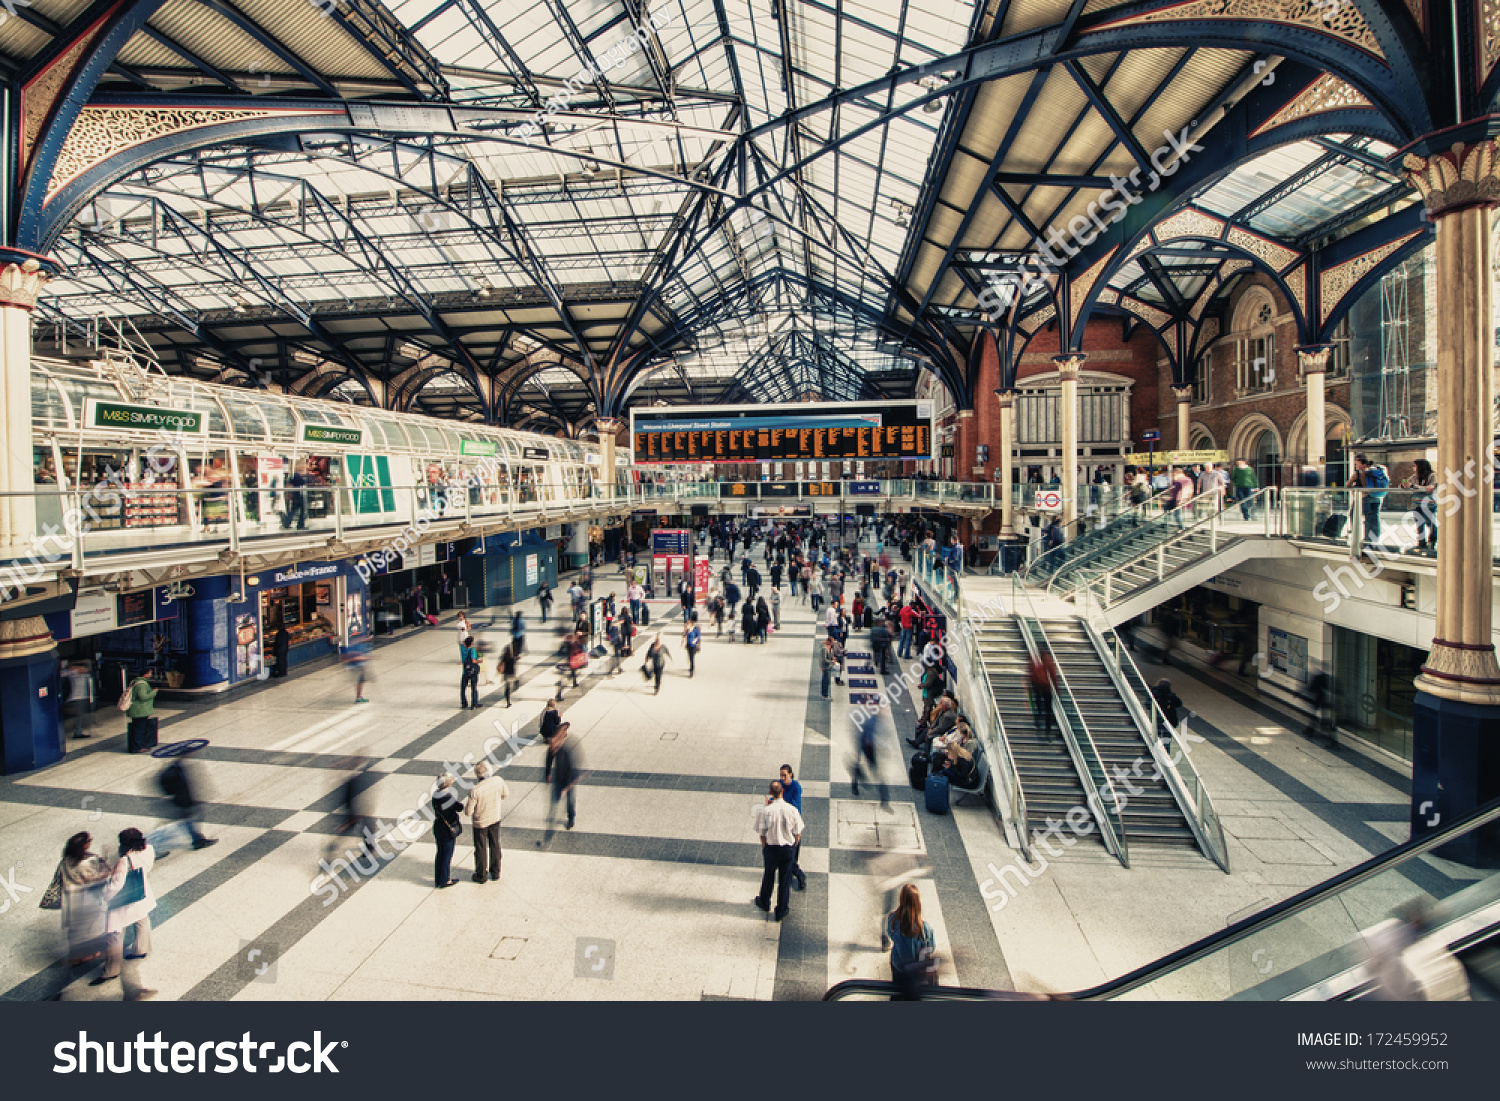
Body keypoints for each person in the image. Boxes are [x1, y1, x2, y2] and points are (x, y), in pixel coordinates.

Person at [93, 828, 158, 1000]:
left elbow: (116, 885)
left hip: (124, 901)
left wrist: (105, 896)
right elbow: (148, 867)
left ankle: (112, 970)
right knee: (142, 920)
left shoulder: (124, 860)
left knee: (114, 932)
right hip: (141, 893)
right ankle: (141, 949)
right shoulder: (149, 849)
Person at [752, 780, 804, 922]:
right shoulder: (792, 810)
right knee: (785, 879)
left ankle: (764, 901)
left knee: (768, 875)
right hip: (787, 849)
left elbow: (761, 834)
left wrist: (765, 847)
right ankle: (781, 909)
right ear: (782, 792)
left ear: (770, 793)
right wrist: (793, 846)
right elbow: (798, 833)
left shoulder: (765, 811)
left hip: (771, 848)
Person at [57, 832, 108, 970]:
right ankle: (82, 956)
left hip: (69, 899)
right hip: (84, 900)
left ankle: (74, 955)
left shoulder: (66, 860)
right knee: (85, 928)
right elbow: (90, 878)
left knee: (73, 930)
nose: (90, 842)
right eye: (89, 840)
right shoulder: (83, 864)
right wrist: (107, 873)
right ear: (84, 844)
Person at [150, 752, 218, 853]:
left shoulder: (181, 768)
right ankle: (154, 846)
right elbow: (166, 788)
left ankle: (198, 840)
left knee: (188, 822)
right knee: (182, 824)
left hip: (186, 800)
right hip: (181, 802)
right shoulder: (170, 772)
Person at [886, 882, 938, 1000]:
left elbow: (890, 934)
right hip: (916, 970)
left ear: (901, 899)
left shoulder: (892, 920)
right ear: (917, 903)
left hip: (898, 965)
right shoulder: (925, 928)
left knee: (897, 990)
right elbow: (932, 947)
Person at [464, 760, 509, 884]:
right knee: (495, 844)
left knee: (480, 848)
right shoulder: (498, 781)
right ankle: (496, 872)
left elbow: (468, 812)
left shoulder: (475, 790)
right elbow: (505, 795)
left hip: (480, 823)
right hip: (495, 818)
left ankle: (481, 874)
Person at [542, 722, 582, 847]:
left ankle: (571, 818)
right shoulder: (552, 750)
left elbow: (571, 769)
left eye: (553, 746)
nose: (551, 748)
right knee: (553, 807)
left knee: (570, 801)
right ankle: (548, 836)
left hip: (567, 781)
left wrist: (567, 787)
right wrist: (548, 773)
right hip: (558, 780)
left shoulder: (565, 752)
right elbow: (548, 760)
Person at [851, 706, 889, 807]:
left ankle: (854, 784)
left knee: (867, 767)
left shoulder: (873, 719)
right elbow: (869, 740)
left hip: (863, 745)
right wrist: (881, 750)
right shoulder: (873, 722)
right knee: (876, 771)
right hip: (867, 748)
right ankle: (884, 797)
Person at [778, 765, 806, 891]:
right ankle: (794, 874)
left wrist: (781, 803)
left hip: (793, 826)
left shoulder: (796, 787)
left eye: (785, 775)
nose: (782, 778)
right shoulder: (779, 784)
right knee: (788, 855)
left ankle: (800, 875)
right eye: (781, 775)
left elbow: (795, 807)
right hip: (783, 824)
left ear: (791, 774)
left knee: (792, 855)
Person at [431, 774, 462, 888]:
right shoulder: (447, 797)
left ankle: (438, 879)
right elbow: (459, 807)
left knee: (440, 853)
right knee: (447, 855)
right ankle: (445, 879)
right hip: (447, 829)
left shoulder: (435, 795)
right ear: (449, 784)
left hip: (438, 827)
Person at [124, 672, 158, 753]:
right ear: (145, 674)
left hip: (137, 710)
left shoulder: (135, 681)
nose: (151, 675)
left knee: (137, 728)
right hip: (140, 710)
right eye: (149, 673)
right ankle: (137, 747)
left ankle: (137, 746)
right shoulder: (141, 684)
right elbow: (143, 697)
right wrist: (154, 692)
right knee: (139, 729)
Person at [1410, 458, 1438, 551]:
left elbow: (1430, 488)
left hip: (1429, 504)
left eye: (1415, 465)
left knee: (1431, 524)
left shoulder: (1433, 475)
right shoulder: (1414, 476)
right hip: (1417, 504)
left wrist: (1415, 487)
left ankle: (1432, 542)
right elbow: (1408, 484)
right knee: (1419, 524)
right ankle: (1421, 543)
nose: (1413, 468)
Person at [1028, 653, 1056, 737]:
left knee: (1039, 703)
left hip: (1038, 686)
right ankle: (1047, 730)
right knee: (1048, 710)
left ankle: (1038, 720)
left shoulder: (1036, 662)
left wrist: (1032, 684)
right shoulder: (1048, 663)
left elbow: (1032, 674)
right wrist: (1056, 688)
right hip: (1045, 687)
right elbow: (1053, 675)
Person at [1151, 677, 1183, 743]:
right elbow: (1178, 704)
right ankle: (1165, 751)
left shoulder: (1153, 693)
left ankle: (1156, 750)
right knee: (1166, 740)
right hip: (1169, 720)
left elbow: (1148, 705)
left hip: (1156, 719)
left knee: (1156, 737)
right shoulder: (1170, 695)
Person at [282, 463, 307, 530]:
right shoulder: (297, 476)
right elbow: (303, 483)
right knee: (301, 510)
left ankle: (287, 523)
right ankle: (300, 524)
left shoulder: (292, 476)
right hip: (299, 495)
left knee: (293, 510)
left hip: (294, 496)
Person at [819, 636, 841, 700]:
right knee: (825, 681)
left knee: (827, 681)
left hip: (827, 666)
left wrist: (832, 658)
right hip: (825, 666)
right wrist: (832, 662)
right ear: (828, 642)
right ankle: (824, 695)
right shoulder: (824, 648)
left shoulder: (828, 647)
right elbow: (823, 659)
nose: (832, 644)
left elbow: (828, 656)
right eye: (831, 643)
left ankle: (824, 694)